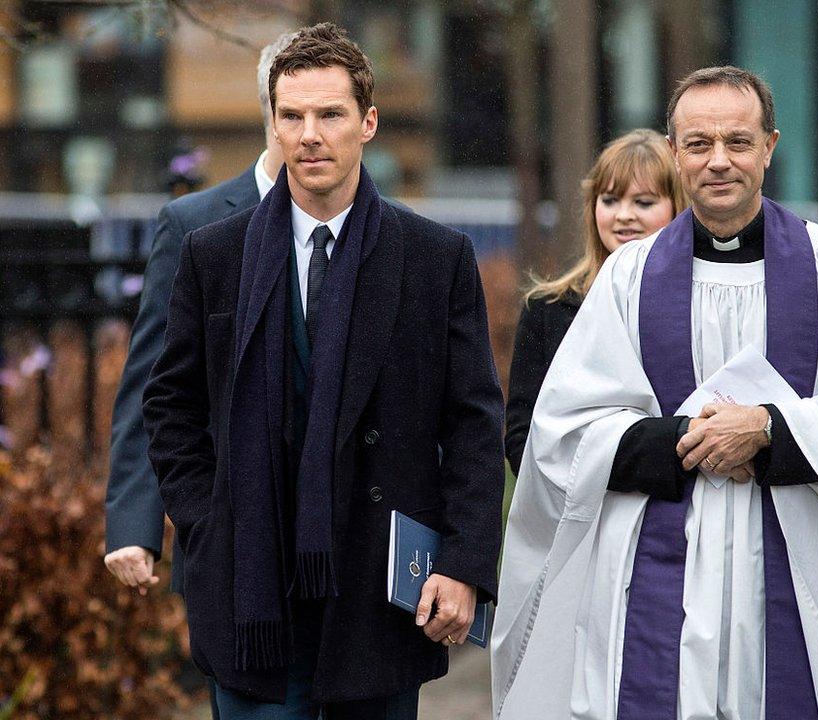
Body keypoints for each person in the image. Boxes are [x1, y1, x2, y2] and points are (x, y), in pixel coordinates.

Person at [492, 66, 818, 720]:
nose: (719, 161)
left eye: (738, 142)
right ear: (675, 153)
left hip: (799, 580)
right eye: (698, 143)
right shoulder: (629, 277)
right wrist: (686, 439)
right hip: (651, 583)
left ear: (770, 147)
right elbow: (561, 433)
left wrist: (772, 431)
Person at [143, 22, 504, 720]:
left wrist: (463, 564)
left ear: (367, 122)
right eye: (292, 116)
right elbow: (171, 408)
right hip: (251, 594)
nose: (309, 134)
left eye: (330, 114)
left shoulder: (435, 258)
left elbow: (472, 426)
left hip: (379, 598)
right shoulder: (212, 256)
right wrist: (209, 523)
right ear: (273, 126)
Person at [104, 30, 296, 599]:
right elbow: (157, 379)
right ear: (272, 111)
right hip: (228, 539)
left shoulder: (389, 231)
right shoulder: (196, 225)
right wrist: (135, 523)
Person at [504, 129, 686, 475]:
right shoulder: (547, 308)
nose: (623, 215)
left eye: (644, 202)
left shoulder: (700, 308)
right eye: (610, 199)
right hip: (580, 515)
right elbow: (523, 442)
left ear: (679, 208)